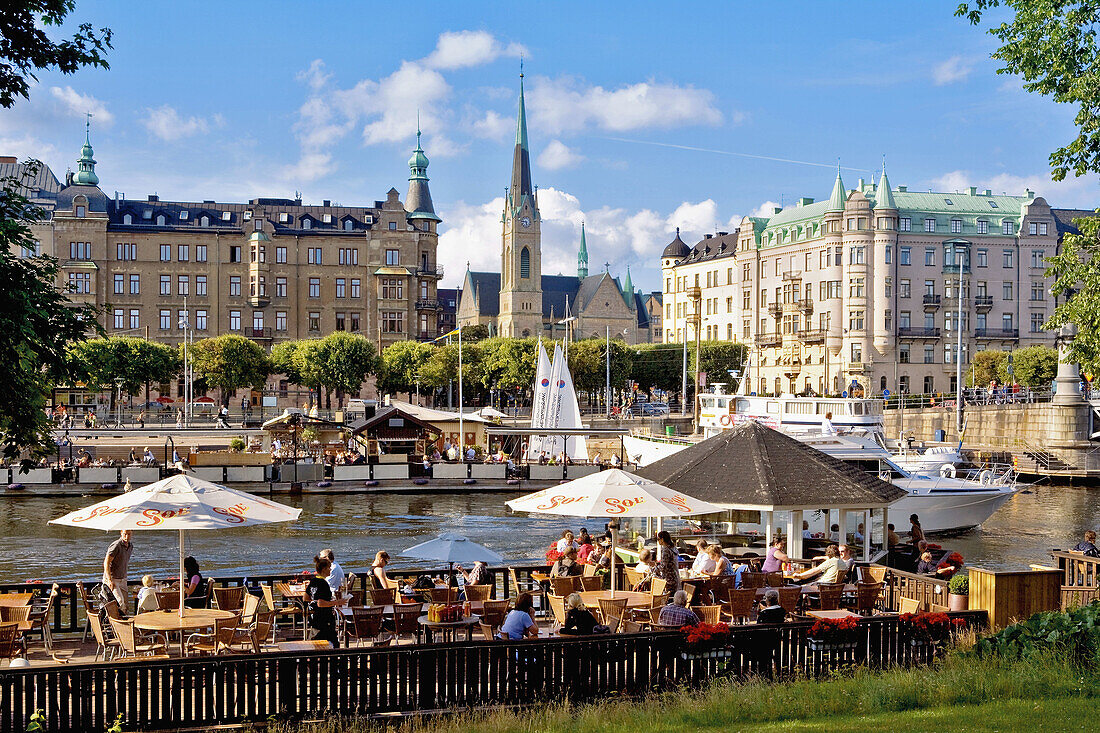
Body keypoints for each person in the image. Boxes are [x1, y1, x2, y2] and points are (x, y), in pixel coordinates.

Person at [306, 555, 348, 648]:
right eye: (329, 568)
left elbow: (306, 597)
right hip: (325, 619)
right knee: (333, 643)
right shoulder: (323, 584)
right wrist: (337, 602)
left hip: (315, 618)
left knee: (316, 642)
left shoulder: (313, 581)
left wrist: (314, 601)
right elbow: (320, 603)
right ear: (324, 569)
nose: (330, 570)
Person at [103, 529, 133, 610]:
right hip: (113, 579)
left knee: (126, 605)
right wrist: (109, 580)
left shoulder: (130, 546)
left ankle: (125, 621)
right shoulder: (116, 545)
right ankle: (117, 622)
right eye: (125, 534)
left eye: (129, 534)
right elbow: (106, 562)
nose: (127, 536)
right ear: (121, 533)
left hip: (123, 578)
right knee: (120, 603)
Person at [648, 530, 681, 597]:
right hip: (675, 577)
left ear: (662, 539)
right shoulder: (673, 548)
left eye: (658, 539)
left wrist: (653, 568)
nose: (658, 541)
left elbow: (663, 567)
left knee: (668, 598)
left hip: (669, 579)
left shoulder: (666, 550)